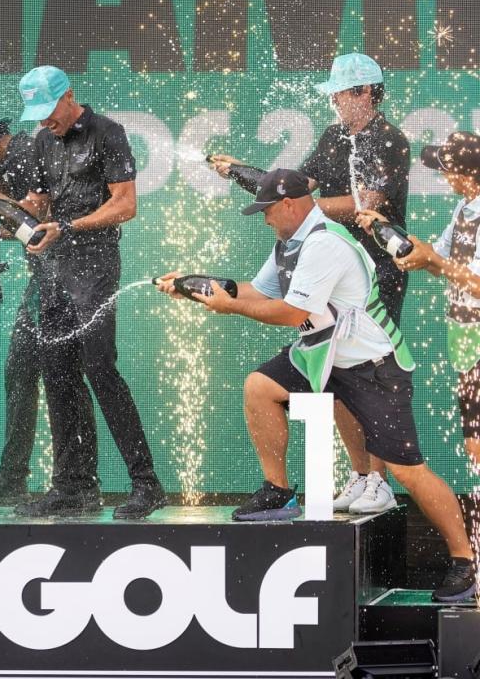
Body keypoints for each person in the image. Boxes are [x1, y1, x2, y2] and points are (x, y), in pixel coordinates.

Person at [156, 168, 476, 603]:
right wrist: (195, 284)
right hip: (322, 354)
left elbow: (288, 313)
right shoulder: (289, 242)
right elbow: (254, 289)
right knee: (259, 386)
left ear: (288, 205)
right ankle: (279, 493)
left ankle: (465, 561)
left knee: (407, 470)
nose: (264, 219)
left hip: (372, 365)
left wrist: (231, 309)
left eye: (267, 212)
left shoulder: (324, 244)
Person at [210, 53, 410, 514]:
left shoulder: (390, 140)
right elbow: (299, 186)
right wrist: (247, 173)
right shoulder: (333, 135)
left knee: (369, 376)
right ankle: (362, 475)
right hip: (326, 268)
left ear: (365, 93)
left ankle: (380, 481)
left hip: (375, 275)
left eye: (342, 94)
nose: (336, 103)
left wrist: (310, 206)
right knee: (334, 375)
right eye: (335, 95)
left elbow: (368, 200)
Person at [0, 66, 165, 519]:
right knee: (57, 373)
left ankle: (146, 483)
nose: (45, 122)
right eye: (37, 115)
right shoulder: (43, 142)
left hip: (96, 266)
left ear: (69, 97)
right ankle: (74, 487)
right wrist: (2, 206)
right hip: (53, 270)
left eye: (49, 112)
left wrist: (68, 226)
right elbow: (38, 204)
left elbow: (126, 205)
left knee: (100, 370)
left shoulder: (107, 133)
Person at [0, 110, 98, 505]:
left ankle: (77, 484)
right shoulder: (12, 162)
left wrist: (2, 209)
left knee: (64, 378)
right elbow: (32, 227)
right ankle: (13, 476)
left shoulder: (24, 156)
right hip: (46, 281)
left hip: (67, 283)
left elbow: (52, 219)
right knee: (21, 369)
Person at [358, 131, 480, 483]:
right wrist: (389, 234)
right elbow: (437, 255)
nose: (443, 176)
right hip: (465, 337)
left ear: (466, 173)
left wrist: (432, 261)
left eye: (446, 170)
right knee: (473, 444)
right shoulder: (464, 207)